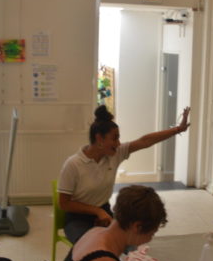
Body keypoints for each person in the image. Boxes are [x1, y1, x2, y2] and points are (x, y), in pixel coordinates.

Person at [58, 104, 189, 243]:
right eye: (114, 138)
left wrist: (177, 129)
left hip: (104, 212)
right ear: (99, 139)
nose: (118, 143)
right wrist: (97, 211)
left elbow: (145, 141)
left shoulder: (115, 154)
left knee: (129, 242)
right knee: (90, 244)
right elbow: (64, 204)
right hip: (78, 219)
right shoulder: (73, 164)